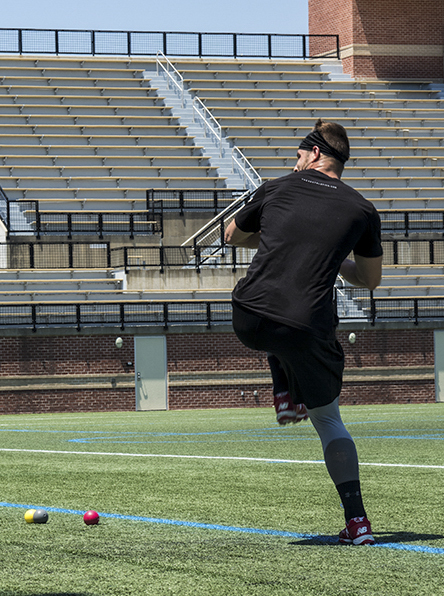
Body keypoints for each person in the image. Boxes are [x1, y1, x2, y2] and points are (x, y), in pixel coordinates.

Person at [225, 119, 383, 546]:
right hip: (306, 326)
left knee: (276, 328)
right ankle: (358, 524)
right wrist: (330, 259)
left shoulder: (275, 188)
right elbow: (369, 279)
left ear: (314, 153)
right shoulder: (363, 209)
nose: (293, 163)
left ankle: (283, 390)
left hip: (249, 317)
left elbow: (230, 236)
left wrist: (282, 238)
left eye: (297, 155)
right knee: (329, 418)